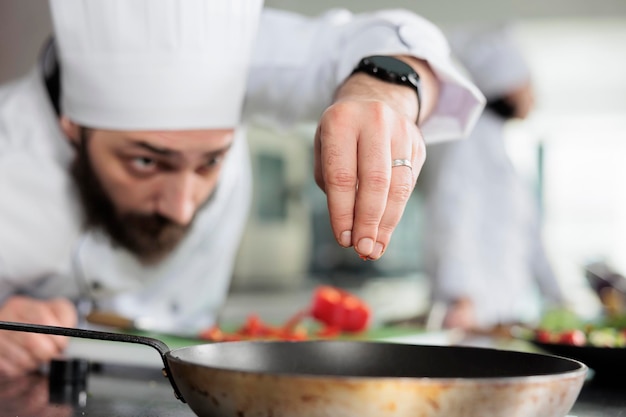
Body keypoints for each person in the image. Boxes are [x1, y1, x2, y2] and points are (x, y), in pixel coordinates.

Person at [0, 0, 484, 376]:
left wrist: (381, 90)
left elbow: (389, 39)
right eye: (145, 162)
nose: (183, 207)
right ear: (71, 126)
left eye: (210, 162)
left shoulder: (229, 55)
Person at [420, 24, 565, 331]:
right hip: (472, 313)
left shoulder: (499, 144)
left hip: (500, 312)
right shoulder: (465, 139)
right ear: (506, 84)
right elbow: (451, 214)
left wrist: (560, 298)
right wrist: (461, 297)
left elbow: (529, 236)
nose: (533, 95)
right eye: (527, 83)